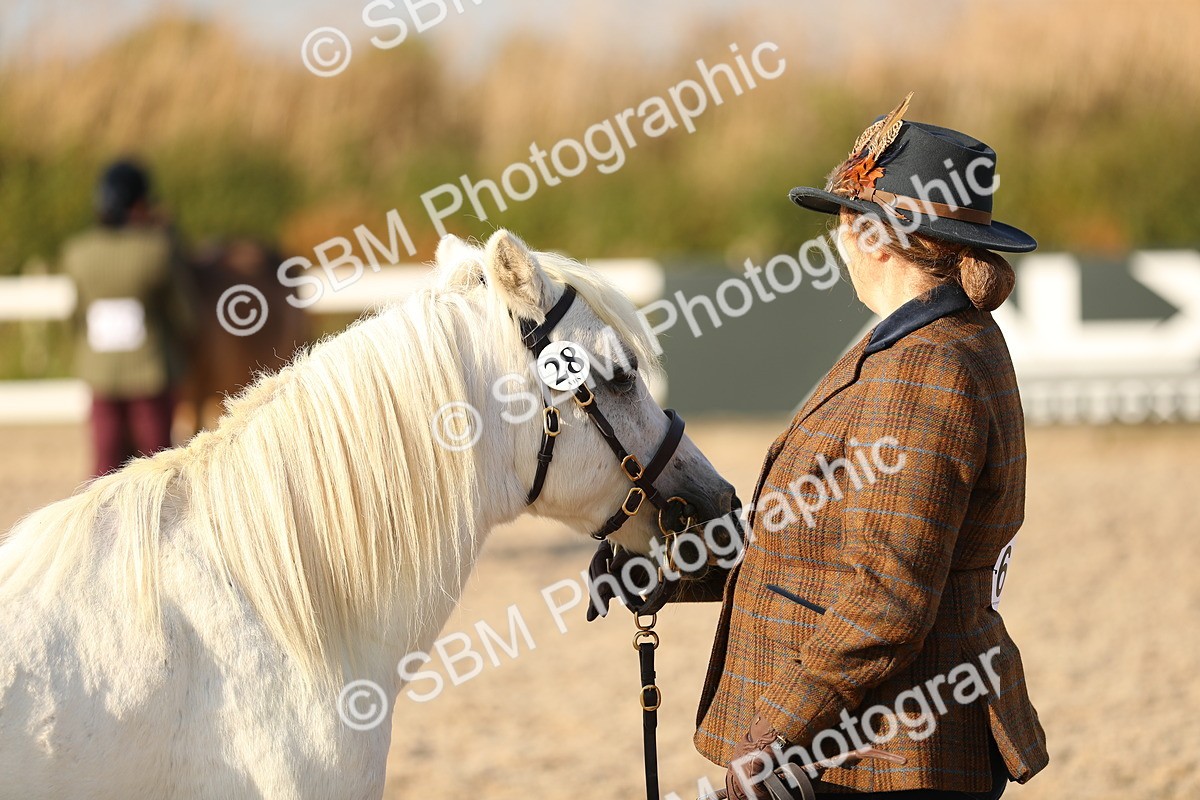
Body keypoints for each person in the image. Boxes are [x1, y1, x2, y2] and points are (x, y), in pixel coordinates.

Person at [689, 96, 1050, 799]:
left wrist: (776, 734)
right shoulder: (933, 338)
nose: (838, 237)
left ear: (872, 236)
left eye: (844, 219)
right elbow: (827, 538)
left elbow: (887, 596)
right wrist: (674, 568)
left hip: (880, 755)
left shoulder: (927, 367)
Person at [62, 159, 193, 476]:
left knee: (104, 464)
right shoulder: (158, 250)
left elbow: (75, 318)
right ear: (140, 204)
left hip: (99, 372)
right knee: (156, 466)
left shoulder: (77, 252)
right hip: (150, 373)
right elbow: (186, 316)